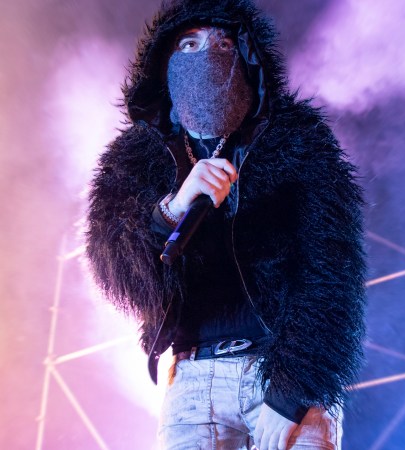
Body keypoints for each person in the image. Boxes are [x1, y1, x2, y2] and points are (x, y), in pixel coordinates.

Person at [86, 0, 366, 449]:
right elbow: (115, 270)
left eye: (223, 43)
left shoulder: (299, 141)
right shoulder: (135, 160)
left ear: (247, 56)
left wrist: (292, 390)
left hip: (284, 370)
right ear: (164, 60)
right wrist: (173, 208)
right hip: (194, 380)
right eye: (189, 43)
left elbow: (333, 272)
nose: (207, 54)